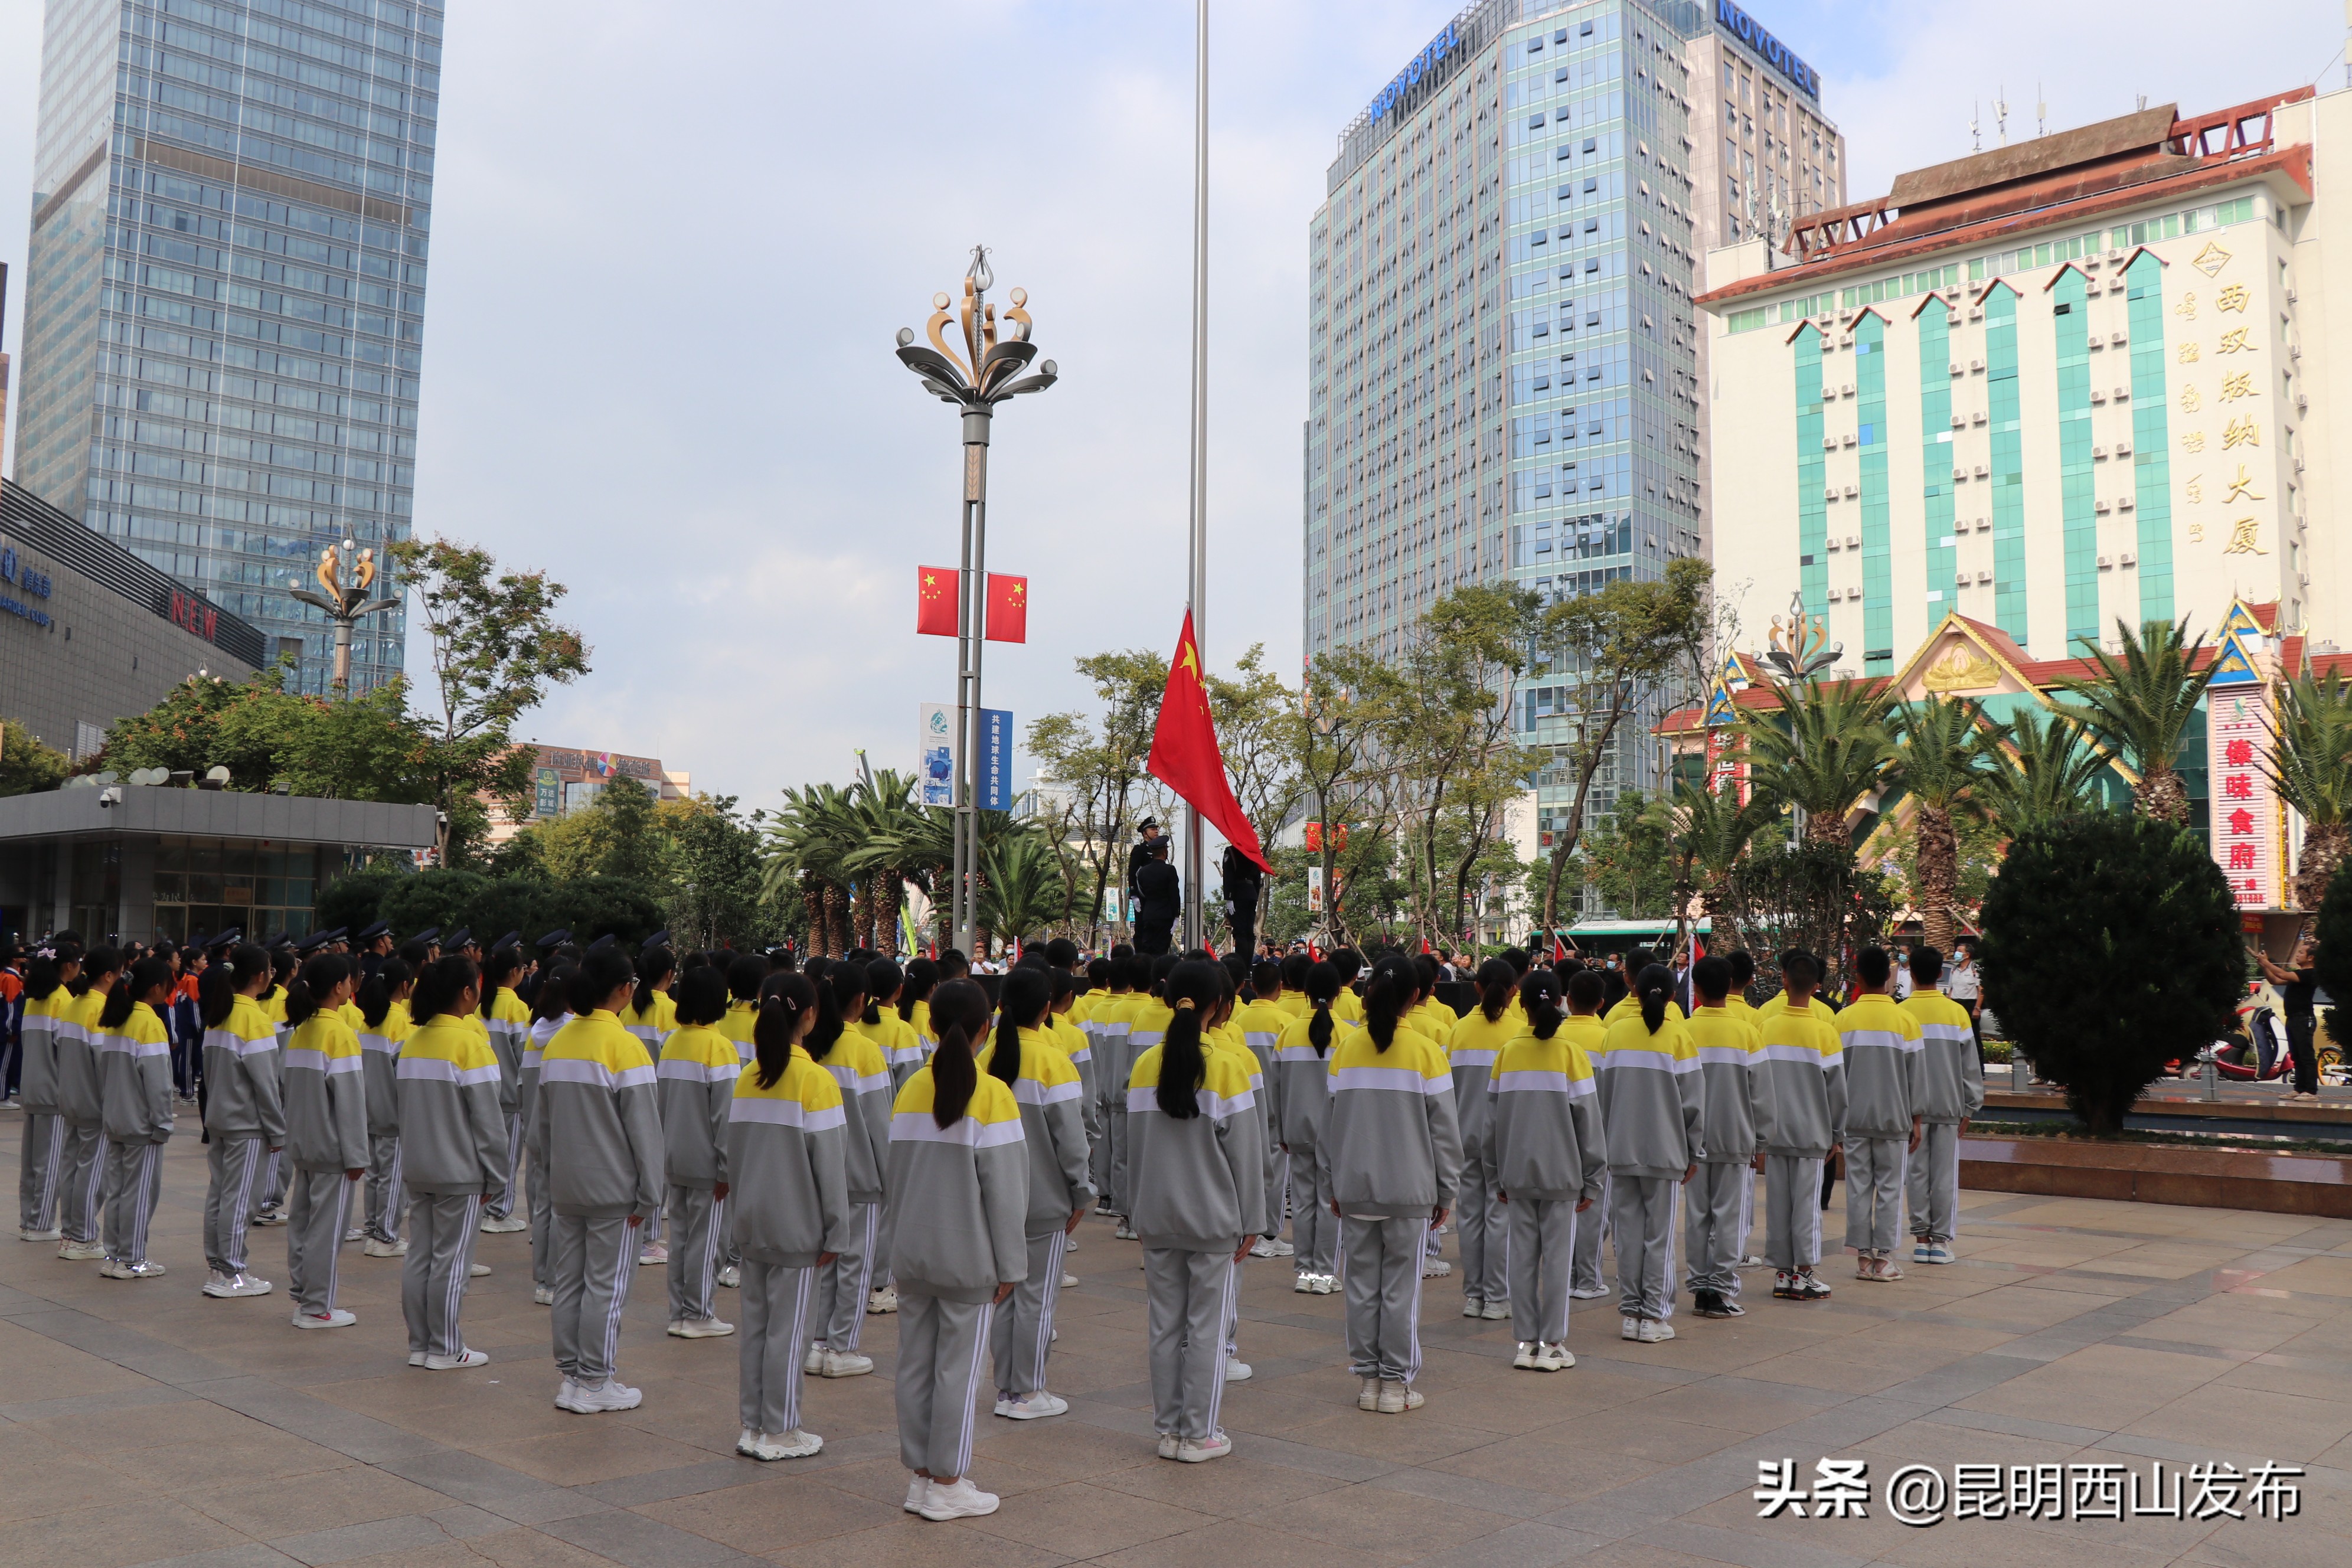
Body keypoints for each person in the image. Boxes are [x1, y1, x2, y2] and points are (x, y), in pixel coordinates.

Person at [884, 978, 1029, 1521]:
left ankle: (922, 1478)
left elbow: (896, 1177)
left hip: (912, 1253)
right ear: (985, 1029)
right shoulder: (993, 1094)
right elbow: (1006, 1193)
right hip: (969, 1261)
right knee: (958, 1374)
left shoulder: (909, 1090)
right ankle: (947, 1483)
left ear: (929, 1025)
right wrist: (1011, 1264)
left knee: (915, 1367)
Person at [1126, 961, 1265, 1460]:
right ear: (1220, 1007)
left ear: (1168, 1000)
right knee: (1207, 1328)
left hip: (1157, 1216)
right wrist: (1254, 1220)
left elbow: (1133, 1147)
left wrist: (1136, 1211)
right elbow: (1246, 1155)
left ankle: (1169, 1431)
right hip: (1214, 1219)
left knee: (1164, 1325)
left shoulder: (1145, 1065)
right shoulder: (1228, 1066)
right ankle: (1199, 1434)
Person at [1319, 953, 1462, 1414]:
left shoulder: (1346, 1050)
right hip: (1410, 1191)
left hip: (1355, 1187)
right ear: (1416, 996)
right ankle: (1396, 1385)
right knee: (1401, 1292)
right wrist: (1446, 1190)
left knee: (1361, 1287)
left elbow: (1329, 1128)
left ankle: (1368, 1381)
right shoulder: (1427, 1052)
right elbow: (1445, 1132)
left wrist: (1333, 1183)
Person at [535, 948, 667, 1410]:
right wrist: (650, 1193)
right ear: (625, 989)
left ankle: (572, 1377)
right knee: (606, 1288)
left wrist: (553, 1176)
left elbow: (541, 1130)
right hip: (614, 1191)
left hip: (567, 1187)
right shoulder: (625, 1047)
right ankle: (595, 1380)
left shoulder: (558, 1044)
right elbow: (645, 1133)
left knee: (570, 1282)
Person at [728, 971, 851, 1461]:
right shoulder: (816, 1081)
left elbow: (734, 1156)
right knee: (789, 1332)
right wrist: (837, 1231)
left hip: (752, 1223)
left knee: (757, 1330)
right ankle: (780, 1430)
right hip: (798, 1230)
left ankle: (753, 1426)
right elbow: (831, 1167)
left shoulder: (747, 1077)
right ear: (811, 1015)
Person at [979, 967, 1095, 1421]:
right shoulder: (1053, 1061)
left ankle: (1008, 1389)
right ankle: (1027, 1391)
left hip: (994, 1200)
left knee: (1005, 1296)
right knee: (1036, 1300)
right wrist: (1082, 1192)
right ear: (1047, 1009)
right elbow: (1073, 1142)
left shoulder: (984, 1057)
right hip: (1045, 1202)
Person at [1484, 968, 1607, 1371]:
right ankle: (1552, 1344)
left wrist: (1495, 1175)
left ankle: (1525, 1344)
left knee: (1521, 1259)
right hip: (1562, 1175)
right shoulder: (1571, 1053)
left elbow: (1491, 1124)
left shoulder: (1507, 1053)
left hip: (1516, 1174)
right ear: (1560, 1001)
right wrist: (1593, 1179)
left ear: (1521, 1004)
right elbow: (1588, 1123)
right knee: (1557, 1260)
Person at [398, 955, 510, 1370]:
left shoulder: (413, 1042)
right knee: (451, 1261)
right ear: (467, 992)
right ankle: (446, 1348)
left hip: (419, 1167)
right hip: (460, 1172)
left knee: (421, 1256)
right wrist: (496, 1176)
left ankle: (421, 1344)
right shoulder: (470, 1044)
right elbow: (489, 1121)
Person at [1592, 963, 1702, 1342]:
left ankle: (1631, 1313)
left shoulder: (1614, 1033)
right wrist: (1694, 1152)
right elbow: (1694, 1104)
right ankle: (1654, 1316)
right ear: (1673, 996)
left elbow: (1599, 1096)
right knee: (1659, 1237)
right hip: (1666, 1152)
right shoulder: (1680, 1037)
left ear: (1634, 991)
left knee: (1627, 1235)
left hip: (1620, 1150)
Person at [801, 964, 891, 1380]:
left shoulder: (809, 1046)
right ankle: (843, 1348)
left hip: (817, 1175)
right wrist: (891, 1179)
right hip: (860, 1176)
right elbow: (879, 1123)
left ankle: (818, 1343)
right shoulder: (864, 1051)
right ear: (861, 1000)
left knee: (825, 1260)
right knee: (855, 1264)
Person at [280, 953, 369, 1328]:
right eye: (348, 980)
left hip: (303, 1143)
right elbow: (350, 1102)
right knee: (326, 1230)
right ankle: (317, 1307)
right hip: (333, 1149)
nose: (351, 985)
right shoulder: (340, 1033)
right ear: (338, 987)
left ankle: (304, 1296)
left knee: (302, 1223)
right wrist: (357, 1154)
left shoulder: (301, 1030)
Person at [658, 965, 740, 1339]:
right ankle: (698, 1313)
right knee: (709, 1241)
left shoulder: (673, 1042)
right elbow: (725, 1116)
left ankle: (679, 1312)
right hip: (708, 1165)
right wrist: (727, 1168)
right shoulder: (718, 1047)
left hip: (675, 1157)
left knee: (681, 1239)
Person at [198, 943, 284, 1299]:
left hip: (220, 1118)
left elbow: (207, 1072)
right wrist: (277, 1129)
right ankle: (231, 1271)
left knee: (220, 1195)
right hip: (246, 1124)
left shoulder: (220, 1014)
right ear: (261, 976)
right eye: (271, 971)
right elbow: (266, 1083)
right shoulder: (255, 1019)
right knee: (241, 1199)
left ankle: (218, 1266)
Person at [1756, 952, 1844, 1301]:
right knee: (1806, 1207)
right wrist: (1836, 1135)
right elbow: (1837, 1092)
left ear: (1784, 980)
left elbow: (1756, 1084)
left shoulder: (1765, 1028)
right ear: (1817, 987)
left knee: (1777, 1205)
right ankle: (1803, 1274)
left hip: (1775, 1135)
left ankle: (1781, 1273)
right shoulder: (1825, 1032)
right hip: (1812, 1135)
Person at [1682, 956, 1764, 1320]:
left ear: (1695, 989)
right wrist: (1761, 1140)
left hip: (1692, 1142)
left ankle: (1701, 1289)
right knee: (1729, 1218)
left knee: (1697, 1216)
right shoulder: (1747, 1033)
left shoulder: (1683, 1031)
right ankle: (1720, 1290)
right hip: (1735, 1138)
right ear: (1731, 985)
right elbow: (1761, 1095)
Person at [1837, 947, 1923, 1282]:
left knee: (1858, 1186)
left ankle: (1862, 1257)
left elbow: (1834, 1075)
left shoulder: (1842, 1019)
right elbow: (1917, 1076)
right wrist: (1917, 1120)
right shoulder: (1905, 1020)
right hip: (1894, 1118)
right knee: (1890, 1187)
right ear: (1889, 976)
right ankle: (1885, 1259)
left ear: (1857, 977)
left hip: (1854, 1119)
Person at [1446, 958, 1520, 1322]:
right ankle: (1496, 1297)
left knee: (1469, 1217)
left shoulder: (1457, 1031)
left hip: (1464, 1136)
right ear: (1514, 991)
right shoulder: (1519, 1033)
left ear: (1476, 987)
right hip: (1505, 1140)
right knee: (1500, 1218)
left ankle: (1474, 1296)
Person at [96, 956, 178, 1279]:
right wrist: (163, 1123)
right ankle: (133, 1259)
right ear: (157, 988)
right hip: (142, 1126)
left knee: (117, 1191)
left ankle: (115, 1255)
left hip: (116, 1120)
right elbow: (159, 1083)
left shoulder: (119, 1019)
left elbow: (105, 1073)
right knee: (140, 1194)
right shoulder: (150, 1023)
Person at [1903, 947, 1982, 1265]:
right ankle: (1940, 1243)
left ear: (1911, 973)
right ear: (1941, 974)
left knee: (1916, 1174)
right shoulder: (1956, 1013)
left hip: (1912, 1111)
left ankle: (1921, 1240)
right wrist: (1970, 1106)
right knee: (1944, 1176)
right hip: (1950, 1106)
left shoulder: (1902, 1013)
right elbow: (1970, 1065)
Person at [54, 946, 119, 1262]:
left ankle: (70, 1235)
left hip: (70, 1100)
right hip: (94, 1104)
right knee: (92, 1173)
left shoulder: (74, 1006)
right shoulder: (100, 1009)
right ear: (108, 976)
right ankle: (83, 1236)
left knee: (71, 1168)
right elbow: (105, 1064)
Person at [17, 941, 80, 1244]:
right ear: (69, 966)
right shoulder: (63, 999)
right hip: (53, 1091)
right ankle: (41, 1225)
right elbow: (65, 1052)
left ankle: (29, 1220)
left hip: (31, 1087)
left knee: (31, 1162)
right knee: (50, 1162)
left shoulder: (34, 999)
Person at [521, 962, 574, 1301]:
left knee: (542, 1206)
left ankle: (542, 1278)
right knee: (560, 1210)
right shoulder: (570, 1033)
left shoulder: (535, 1032)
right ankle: (554, 1281)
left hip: (535, 1129)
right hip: (561, 1131)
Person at [357, 960, 414, 1259]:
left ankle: (372, 1231)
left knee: (374, 1175)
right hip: (393, 1112)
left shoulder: (367, 1021)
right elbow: (403, 1075)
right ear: (405, 986)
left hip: (367, 1109)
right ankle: (386, 1237)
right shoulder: (402, 1023)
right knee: (392, 1177)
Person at [478, 947, 533, 1235]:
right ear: (516, 972)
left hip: (484, 1093)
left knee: (485, 1153)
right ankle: (499, 1213)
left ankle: (485, 1207)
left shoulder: (480, 1006)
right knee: (508, 1157)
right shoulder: (517, 1008)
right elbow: (523, 1054)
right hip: (510, 1096)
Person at [2256, 937, 2323, 1101]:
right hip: (2293, 1018)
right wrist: (2264, 966)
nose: (2298, 955)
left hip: (2303, 1019)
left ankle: (2311, 1091)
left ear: (2311, 958)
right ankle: (2299, 1089)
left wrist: (2266, 962)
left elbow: (2281, 974)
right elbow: (2275, 980)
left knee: (2306, 1056)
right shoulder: (2298, 974)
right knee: (2296, 1055)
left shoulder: (2310, 974)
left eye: (2301, 952)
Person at [1132, 841, 1180, 957]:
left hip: (1148, 914)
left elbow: (1142, 893)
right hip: (1165, 915)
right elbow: (1174, 894)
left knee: (1147, 948)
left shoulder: (1142, 871)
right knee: (1161, 950)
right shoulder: (1170, 870)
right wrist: (1176, 915)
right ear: (1164, 852)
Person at [1220, 844, 1265, 961]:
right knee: (1249, 933)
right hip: (1251, 892)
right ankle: (1248, 965)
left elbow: (1228, 875)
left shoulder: (1231, 850)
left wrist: (1229, 897)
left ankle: (1241, 964)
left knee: (1240, 932)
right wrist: (1255, 895)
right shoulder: (1253, 850)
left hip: (1238, 893)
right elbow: (1257, 877)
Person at [1941, 940, 1984, 1054]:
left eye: (1959, 951)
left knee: (1974, 1036)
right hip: (1956, 1004)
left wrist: (1977, 1008)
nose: (1956, 953)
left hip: (1970, 1005)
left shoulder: (1975, 969)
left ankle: (1979, 1063)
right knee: (1955, 1035)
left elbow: (1981, 990)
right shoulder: (1954, 969)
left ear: (1967, 954)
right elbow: (1951, 989)